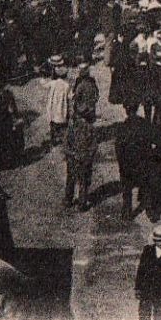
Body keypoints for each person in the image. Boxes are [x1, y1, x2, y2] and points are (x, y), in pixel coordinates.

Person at [63, 61, 100, 211]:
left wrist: (69, 153)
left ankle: (68, 199)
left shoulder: (73, 124)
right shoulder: (92, 84)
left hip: (74, 156)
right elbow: (93, 145)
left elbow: (67, 142)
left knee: (71, 177)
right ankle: (82, 203)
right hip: (84, 156)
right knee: (84, 179)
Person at [42, 56, 71, 148]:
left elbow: (43, 84)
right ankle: (64, 140)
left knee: (53, 123)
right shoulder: (66, 85)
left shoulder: (52, 83)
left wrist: (42, 77)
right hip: (62, 108)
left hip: (53, 107)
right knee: (63, 124)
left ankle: (53, 139)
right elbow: (70, 96)